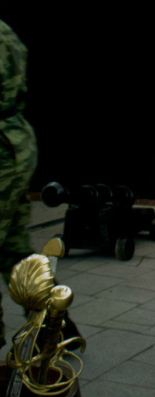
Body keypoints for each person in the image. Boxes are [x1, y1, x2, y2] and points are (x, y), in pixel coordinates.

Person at [0, 19, 38, 348]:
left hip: (4, 149)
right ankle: (53, 324)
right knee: (14, 249)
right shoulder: (4, 30)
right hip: (14, 142)